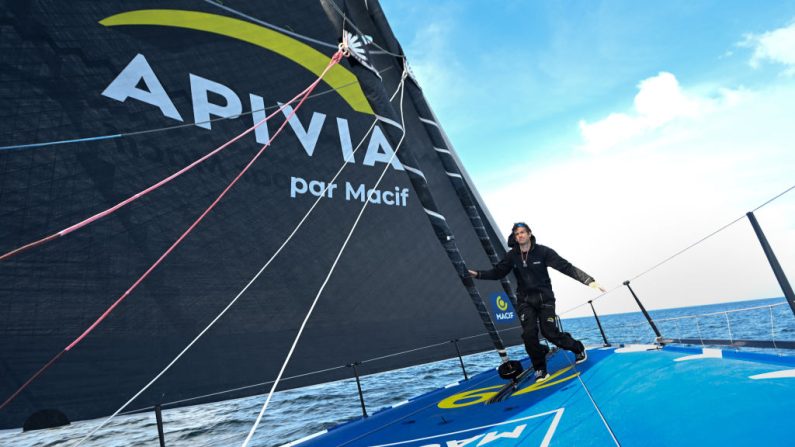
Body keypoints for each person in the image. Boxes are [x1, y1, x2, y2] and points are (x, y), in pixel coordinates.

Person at [468, 222, 606, 382]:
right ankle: (540, 368)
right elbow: (498, 272)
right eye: (516, 234)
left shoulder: (543, 252)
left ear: (529, 233)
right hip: (525, 301)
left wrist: (589, 281)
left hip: (545, 299)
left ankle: (577, 347)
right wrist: (478, 274)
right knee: (528, 335)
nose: (519, 236)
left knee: (549, 332)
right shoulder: (512, 256)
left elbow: (565, 267)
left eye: (522, 232)